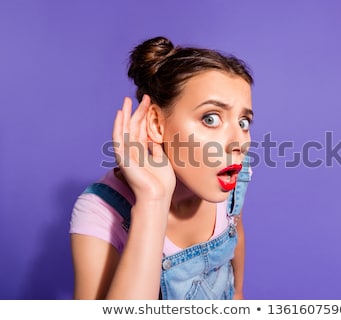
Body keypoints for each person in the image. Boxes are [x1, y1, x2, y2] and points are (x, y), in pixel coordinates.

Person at [69, 36, 254, 300]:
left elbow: (235, 227)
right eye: (211, 118)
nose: (240, 142)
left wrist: (237, 293)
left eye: (244, 122)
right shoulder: (99, 212)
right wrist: (152, 200)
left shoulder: (231, 174)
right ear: (156, 124)